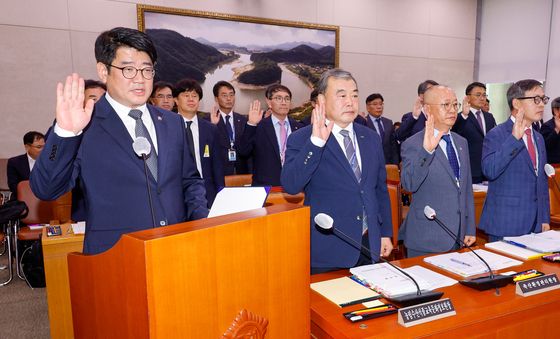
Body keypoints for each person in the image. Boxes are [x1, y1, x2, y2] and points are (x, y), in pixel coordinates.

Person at [30, 27, 208, 254]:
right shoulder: (83, 124)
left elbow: (190, 181)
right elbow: (45, 189)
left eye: (146, 70)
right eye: (128, 70)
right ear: (103, 71)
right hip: (114, 257)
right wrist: (66, 133)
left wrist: (202, 221)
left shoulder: (172, 122)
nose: (140, 80)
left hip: (176, 249)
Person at [281, 69, 393, 273]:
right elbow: (290, 184)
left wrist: (385, 233)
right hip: (329, 248)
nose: (350, 101)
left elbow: (379, 191)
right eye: (342, 95)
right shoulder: (303, 139)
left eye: (355, 95)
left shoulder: (370, 138)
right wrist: (315, 144)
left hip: (369, 242)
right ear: (321, 100)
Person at [399, 86, 475, 257]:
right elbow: (409, 184)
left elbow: (466, 188)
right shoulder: (413, 143)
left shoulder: (461, 142)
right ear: (427, 110)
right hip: (427, 237)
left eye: (455, 105)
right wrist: (427, 151)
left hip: (458, 235)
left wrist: (469, 227)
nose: (452, 110)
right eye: (445, 105)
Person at [479, 79, 550, 241]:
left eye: (543, 99)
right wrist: (514, 139)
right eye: (536, 99)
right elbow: (490, 170)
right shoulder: (496, 134)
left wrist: (544, 217)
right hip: (507, 222)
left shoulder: (538, 138)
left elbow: (542, 181)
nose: (541, 105)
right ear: (517, 103)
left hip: (536, 224)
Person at [238, 84, 303, 186]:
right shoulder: (258, 127)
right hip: (266, 187)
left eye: (287, 99)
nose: (283, 102)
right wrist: (251, 124)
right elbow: (243, 151)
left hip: (295, 186)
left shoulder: (299, 128)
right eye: (278, 98)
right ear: (269, 102)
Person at [173, 78, 224, 206]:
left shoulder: (210, 129)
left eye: (195, 96)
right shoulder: (166, 128)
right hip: (177, 194)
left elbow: (217, 167)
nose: (191, 99)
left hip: (207, 194)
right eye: (186, 95)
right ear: (176, 100)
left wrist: (221, 195)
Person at [452, 82, 497, 183]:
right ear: (467, 97)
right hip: (470, 169)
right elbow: (455, 133)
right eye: (478, 95)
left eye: (484, 95)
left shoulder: (489, 117)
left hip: (487, 168)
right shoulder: (460, 117)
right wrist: (464, 115)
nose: (482, 98)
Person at [208, 81, 250, 175]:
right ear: (216, 98)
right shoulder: (208, 121)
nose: (229, 98)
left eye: (231, 95)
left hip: (242, 173)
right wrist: (212, 126)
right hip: (219, 173)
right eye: (224, 95)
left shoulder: (243, 120)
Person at [358, 93, 399, 164]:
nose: (379, 107)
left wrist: (395, 164)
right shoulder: (363, 123)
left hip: (388, 164)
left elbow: (393, 147)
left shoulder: (388, 122)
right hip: (370, 163)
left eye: (381, 104)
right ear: (368, 107)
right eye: (375, 104)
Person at [394, 80, 439, 144]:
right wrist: (414, 117)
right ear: (421, 96)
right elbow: (399, 136)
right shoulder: (411, 117)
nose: (436, 95)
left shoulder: (441, 116)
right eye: (432, 92)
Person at [7, 131, 45, 199]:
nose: (43, 150)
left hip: (47, 199)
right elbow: (13, 186)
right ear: (27, 147)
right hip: (23, 199)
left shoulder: (51, 162)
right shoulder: (14, 162)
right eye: (39, 147)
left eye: (44, 146)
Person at [540, 96, 560, 164]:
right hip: (554, 166)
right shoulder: (547, 125)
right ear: (555, 110)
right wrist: (557, 130)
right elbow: (544, 146)